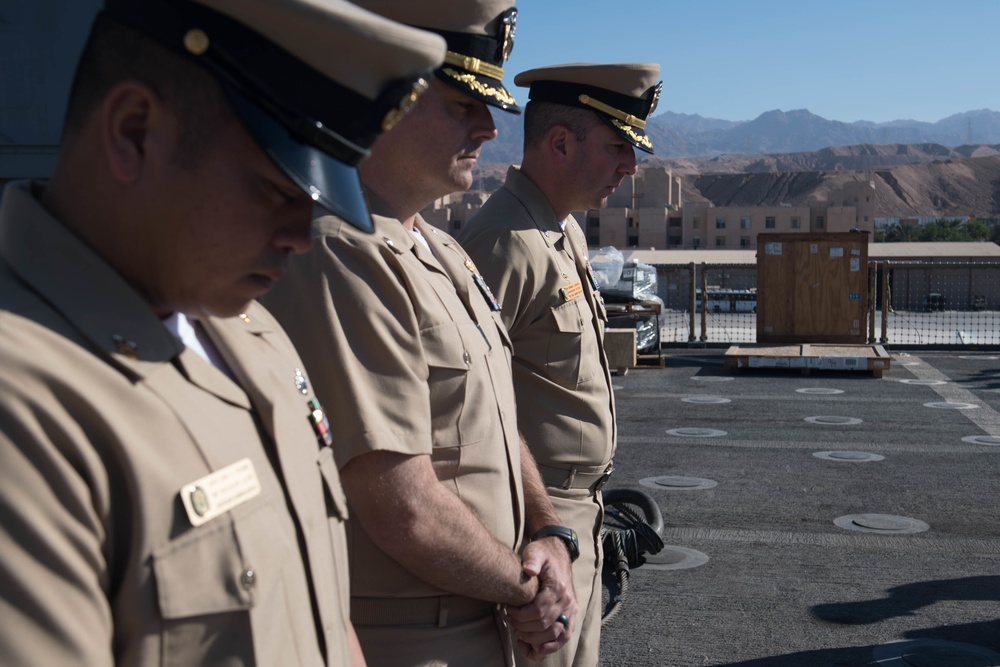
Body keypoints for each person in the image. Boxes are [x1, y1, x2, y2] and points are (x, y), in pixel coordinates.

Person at [0, 0, 446, 665]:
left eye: (318, 201)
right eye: (276, 188)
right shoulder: (27, 406)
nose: (303, 236)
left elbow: (321, 614)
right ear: (133, 132)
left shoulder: (252, 334)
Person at [259, 2, 577, 665]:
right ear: (387, 98)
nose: (490, 127)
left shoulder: (442, 250)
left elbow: (495, 416)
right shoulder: (342, 250)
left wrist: (546, 529)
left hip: (485, 614)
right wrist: (529, 587)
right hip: (408, 639)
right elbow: (400, 505)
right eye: (465, 103)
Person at [457, 63, 663, 667]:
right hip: (532, 522)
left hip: (580, 519)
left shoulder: (559, 230)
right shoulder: (505, 242)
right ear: (560, 142)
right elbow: (466, 410)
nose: (630, 166)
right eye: (618, 146)